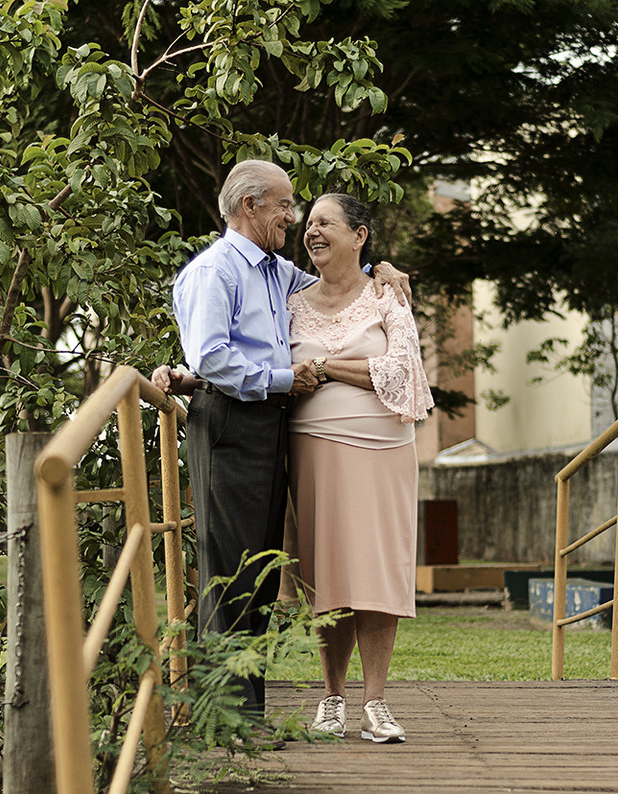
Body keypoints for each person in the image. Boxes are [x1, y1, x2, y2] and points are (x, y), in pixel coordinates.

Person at [161, 160, 409, 722]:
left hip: (271, 426)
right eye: (284, 205)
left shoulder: (278, 272)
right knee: (231, 571)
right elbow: (213, 357)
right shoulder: (215, 271)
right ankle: (223, 716)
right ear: (250, 206)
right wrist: (278, 379)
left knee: (261, 573)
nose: (293, 218)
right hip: (230, 422)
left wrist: (383, 266)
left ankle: (243, 713)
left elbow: (341, 283)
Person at [285, 193, 433, 743]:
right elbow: (251, 344)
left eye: (326, 222)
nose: (312, 231)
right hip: (314, 452)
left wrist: (323, 366)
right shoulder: (289, 296)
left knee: (376, 576)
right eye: (309, 223)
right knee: (330, 579)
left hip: (384, 451)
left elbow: (401, 369)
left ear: (359, 235)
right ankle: (331, 698)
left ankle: (376, 702)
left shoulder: (387, 295)